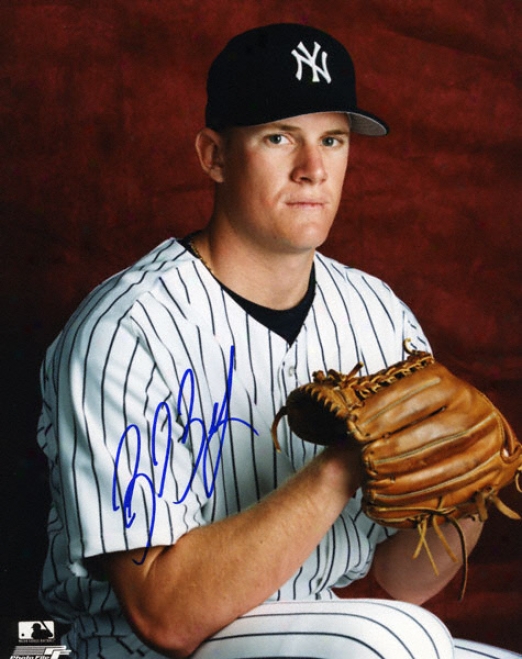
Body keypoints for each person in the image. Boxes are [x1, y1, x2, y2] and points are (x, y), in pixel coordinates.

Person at [37, 23, 521, 659]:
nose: (313, 169)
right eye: (278, 137)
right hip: (132, 647)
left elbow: (405, 580)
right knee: (400, 640)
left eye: (332, 139)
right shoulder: (129, 329)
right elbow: (165, 617)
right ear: (213, 156)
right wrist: (346, 462)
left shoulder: (379, 315)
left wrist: (471, 491)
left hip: (322, 637)